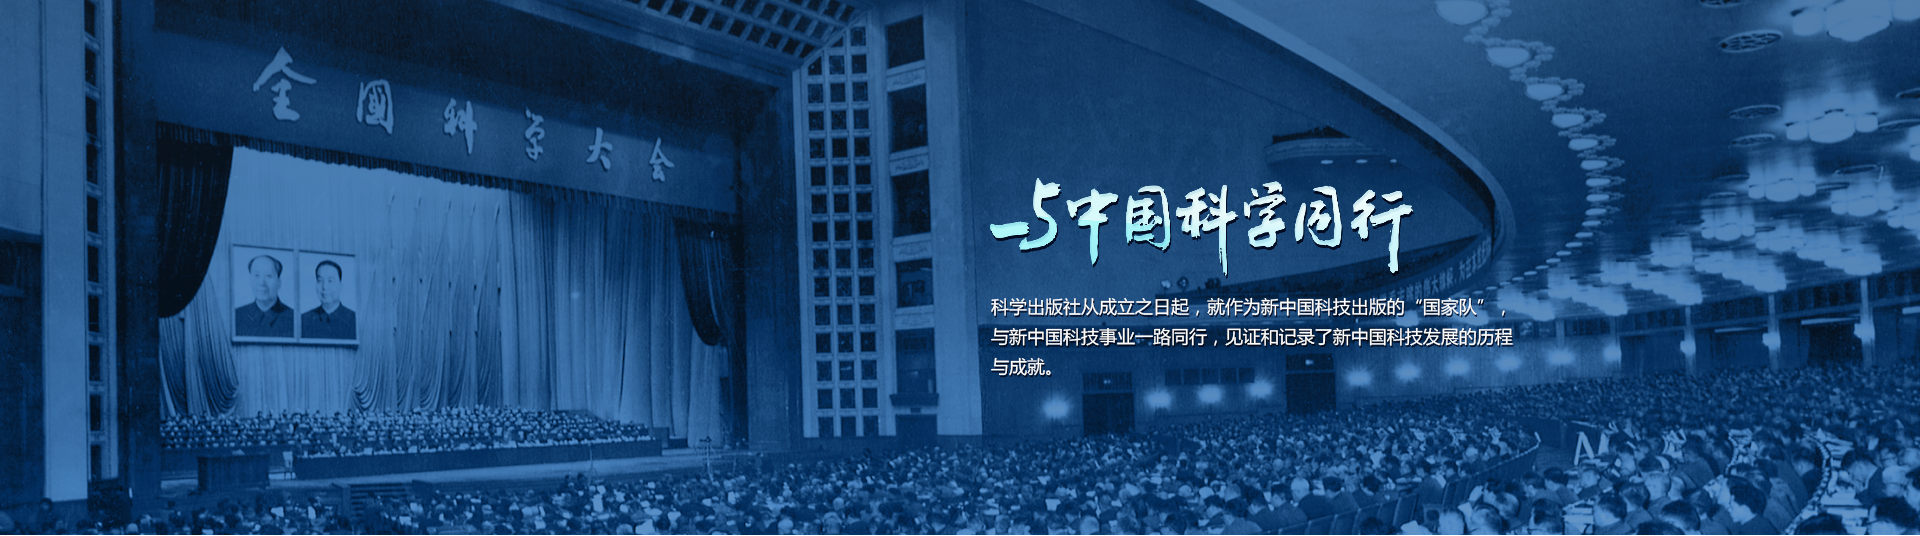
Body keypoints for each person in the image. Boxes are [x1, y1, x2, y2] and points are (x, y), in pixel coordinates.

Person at [235, 254, 294, 337]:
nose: (262, 283)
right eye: (256, 275)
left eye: (268, 276)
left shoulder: (294, 318)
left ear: (279, 282)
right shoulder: (236, 316)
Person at [300, 260, 357, 340]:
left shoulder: (354, 320)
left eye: (330, 281)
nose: (325, 287)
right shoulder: (304, 320)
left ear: (341, 285)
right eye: (320, 280)